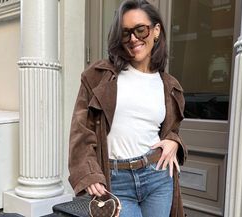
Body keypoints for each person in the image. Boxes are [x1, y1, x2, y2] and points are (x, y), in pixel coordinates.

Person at [68, 0, 187, 216]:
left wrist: (173, 141)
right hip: (116, 180)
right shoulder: (99, 76)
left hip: (157, 176)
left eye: (140, 30)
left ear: (156, 31)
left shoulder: (170, 86)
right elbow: (80, 130)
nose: (133, 39)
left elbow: (172, 128)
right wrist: (89, 173)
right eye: (126, 33)